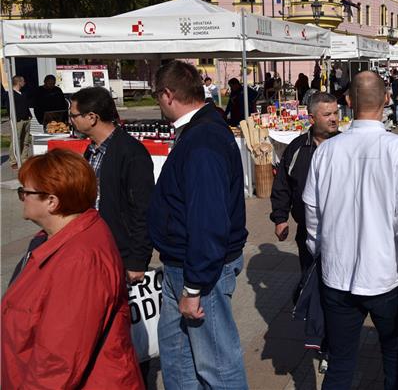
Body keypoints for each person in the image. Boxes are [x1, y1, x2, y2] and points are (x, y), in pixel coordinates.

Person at [303, 71, 398, 390]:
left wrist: (322, 252)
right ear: (387, 100)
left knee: (341, 365)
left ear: (347, 101)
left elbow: (312, 218)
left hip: (338, 276)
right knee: (395, 362)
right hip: (387, 276)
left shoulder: (326, 151)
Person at [2, 149, 144, 388]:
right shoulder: (59, 238)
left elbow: (58, 360)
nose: (22, 197)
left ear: (51, 201)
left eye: (25, 192)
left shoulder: (80, 260)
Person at [147, 61, 248, 389]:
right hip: (185, 265)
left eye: (156, 97)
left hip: (201, 270)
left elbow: (209, 220)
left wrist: (194, 287)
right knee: (179, 364)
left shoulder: (203, 139)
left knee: (217, 366)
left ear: (167, 94)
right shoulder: (198, 132)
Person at [70, 87, 154, 284]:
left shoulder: (131, 153)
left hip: (120, 252)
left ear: (92, 117)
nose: (71, 120)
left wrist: (137, 261)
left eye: (73, 115)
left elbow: (144, 210)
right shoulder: (92, 150)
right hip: (94, 248)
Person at [271, 92, 340, 301]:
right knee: (310, 278)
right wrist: (280, 218)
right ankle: (314, 322)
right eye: (327, 114)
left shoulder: (347, 146)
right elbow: (282, 184)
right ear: (311, 119)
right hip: (308, 229)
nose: (334, 118)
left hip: (342, 230)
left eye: (336, 112)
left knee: (337, 286)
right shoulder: (297, 147)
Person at [7, 75, 32, 169]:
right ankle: (13, 160)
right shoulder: (11, 94)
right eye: (23, 81)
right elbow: (9, 108)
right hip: (17, 120)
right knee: (16, 140)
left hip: (26, 119)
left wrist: (29, 115)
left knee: (25, 140)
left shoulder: (23, 93)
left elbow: (26, 105)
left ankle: (24, 158)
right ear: (19, 82)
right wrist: (14, 119)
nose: (24, 83)